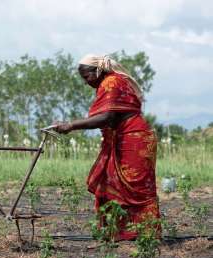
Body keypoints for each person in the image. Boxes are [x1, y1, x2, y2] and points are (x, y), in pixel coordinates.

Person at [53, 54, 160, 241]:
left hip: (133, 140)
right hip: (125, 138)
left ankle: (144, 232)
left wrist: (70, 125)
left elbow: (107, 117)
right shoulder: (113, 82)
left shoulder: (111, 82)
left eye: (87, 77)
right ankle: (121, 232)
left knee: (137, 188)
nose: (86, 82)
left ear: (98, 70)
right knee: (111, 182)